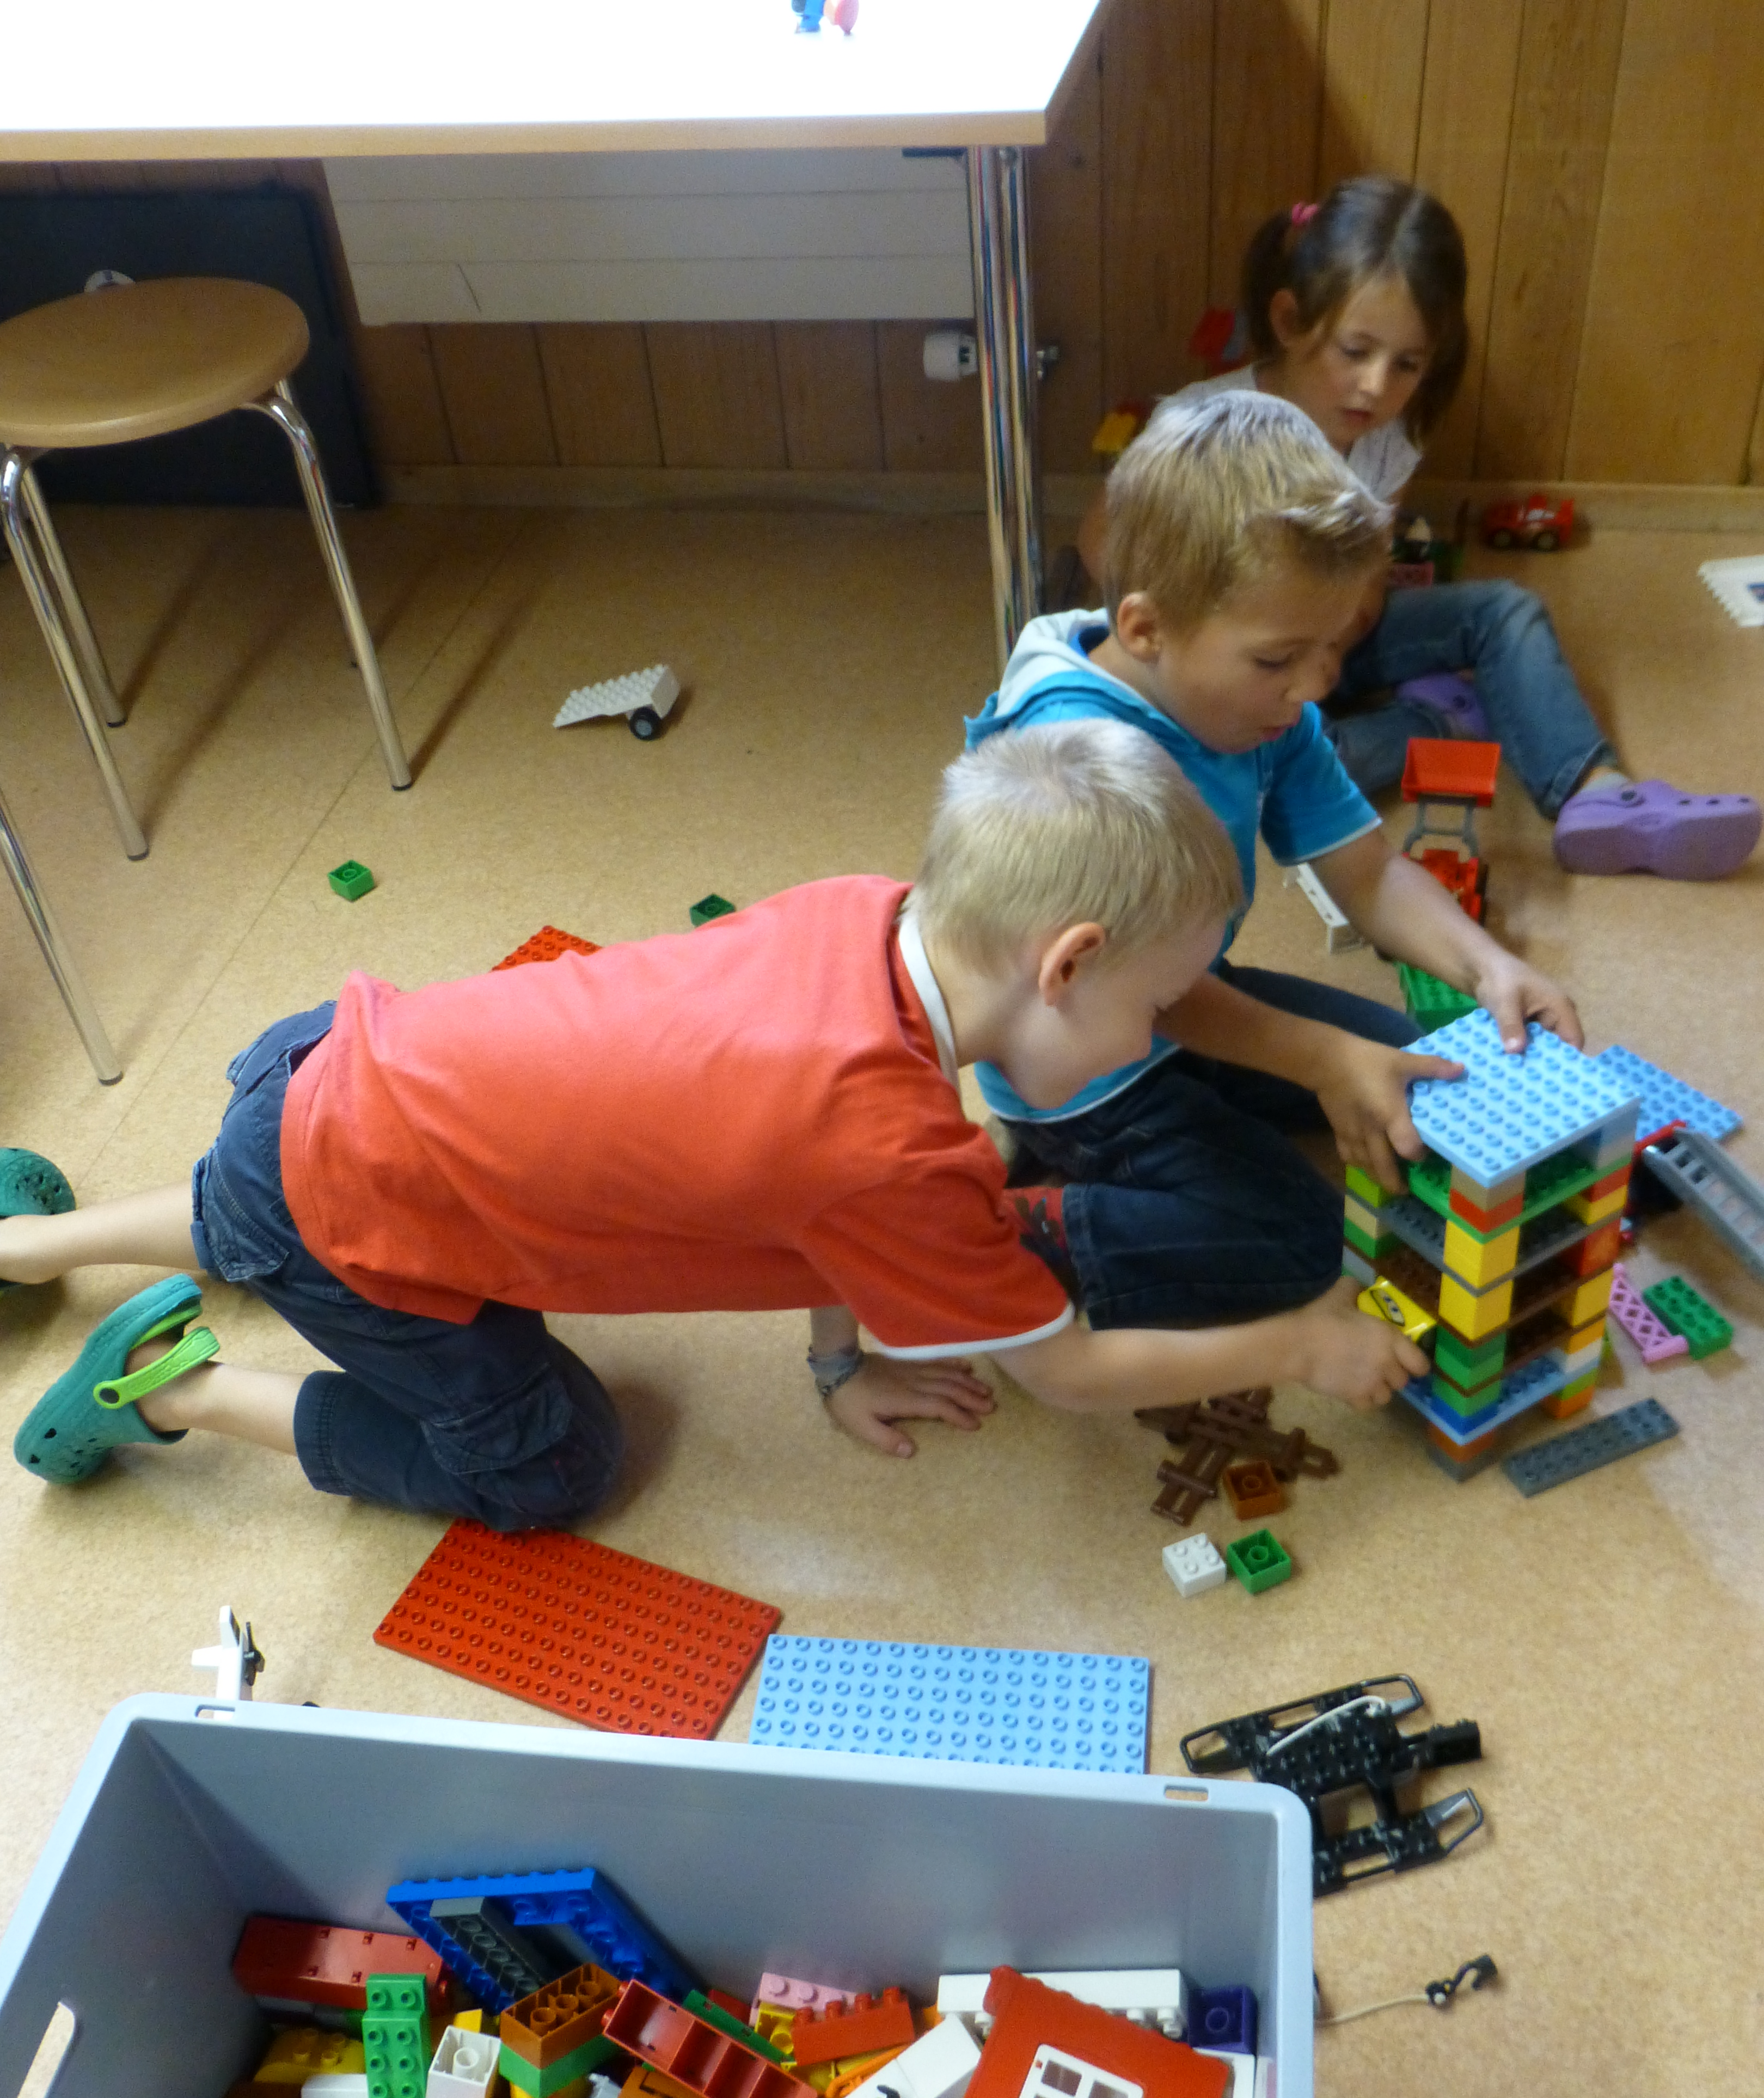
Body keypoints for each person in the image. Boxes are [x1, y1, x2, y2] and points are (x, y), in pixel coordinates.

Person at [0, 722, 1426, 1529]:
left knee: (269, 1196)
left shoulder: (866, 916)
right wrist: (1303, 1345)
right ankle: (174, 1396)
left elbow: (798, 1187)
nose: (1163, 1030)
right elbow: (1068, 1370)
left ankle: (30, 1244)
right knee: (558, 1465)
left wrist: (835, 1362)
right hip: (356, 1216)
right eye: (1159, 1003)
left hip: (326, 1076)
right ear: (1066, 966)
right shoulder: (898, 1153)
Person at [969, 389, 1581, 1331]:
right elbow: (1138, 993)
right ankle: (1030, 1227)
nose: (1311, 689)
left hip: (1187, 997)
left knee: (1422, 1070)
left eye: (1331, 649)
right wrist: (1320, 1058)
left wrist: (1486, 966)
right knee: (1306, 1244)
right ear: (1145, 628)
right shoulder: (1080, 760)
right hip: (1087, 1068)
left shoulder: (1267, 710)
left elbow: (1367, 870)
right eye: (1278, 660)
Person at [1079, 175, 1760, 881]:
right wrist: (1213, 647)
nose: (1377, 386)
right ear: (1289, 321)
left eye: (1407, 364)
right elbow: (1101, 540)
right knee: (1276, 764)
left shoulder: (1387, 437)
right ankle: (1440, 724)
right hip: (1242, 673)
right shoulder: (1204, 422)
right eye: (1355, 351)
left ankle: (1597, 792)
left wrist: (1335, 642)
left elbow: (1371, 566)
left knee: (1504, 610)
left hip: (1335, 644)